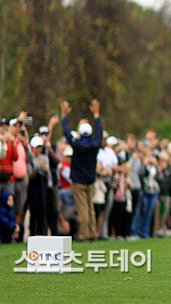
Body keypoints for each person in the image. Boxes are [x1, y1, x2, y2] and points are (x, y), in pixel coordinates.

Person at [61, 99, 103, 241]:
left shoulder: (77, 145)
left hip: (78, 181)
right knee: (90, 208)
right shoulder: (95, 145)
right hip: (90, 179)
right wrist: (96, 116)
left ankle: (84, 234)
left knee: (83, 209)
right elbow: (100, 133)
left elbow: (67, 134)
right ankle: (92, 232)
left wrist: (64, 117)